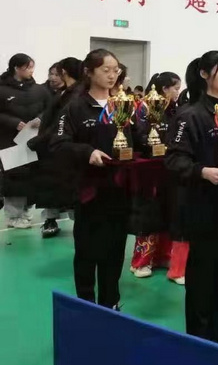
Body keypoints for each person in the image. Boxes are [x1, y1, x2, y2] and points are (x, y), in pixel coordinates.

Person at [165, 51, 218, 347]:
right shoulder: (189, 115)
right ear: (204, 74)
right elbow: (174, 160)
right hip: (203, 208)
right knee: (202, 280)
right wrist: (202, 171)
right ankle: (198, 343)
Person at [51, 49, 136, 309]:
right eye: (105, 70)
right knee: (87, 252)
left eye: (115, 70)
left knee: (115, 251)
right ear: (89, 72)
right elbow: (58, 144)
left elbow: (138, 141)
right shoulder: (75, 107)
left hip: (119, 191)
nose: (112, 75)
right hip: (89, 193)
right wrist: (87, 152)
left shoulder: (124, 105)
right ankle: (86, 304)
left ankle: (111, 303)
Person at [129, 72, 182, 279]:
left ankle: (162, 256)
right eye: (175, 88)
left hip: (169, 168)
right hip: (149, 169)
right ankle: (141, 261)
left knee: (168, 211)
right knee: (149, 215)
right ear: (164, 89)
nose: (178, 92)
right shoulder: (144, 107)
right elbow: (139, 135)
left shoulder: (175, 109)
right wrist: (153, 145)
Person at [28, 57, 82, 238]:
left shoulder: (76, 94)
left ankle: (79, 222)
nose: (53, 77)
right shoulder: (62, 92)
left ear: (64, 72)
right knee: (51, 187)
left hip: (61, 146)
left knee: (68, 188)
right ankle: (50, 219)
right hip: (51, 147)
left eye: (56, 73)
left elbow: (60, 123)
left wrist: (40, 139)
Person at [0, 53, 51, 229]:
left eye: (32, 67)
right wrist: (13, 122)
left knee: (31, 177)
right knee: (14, 177)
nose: (31, 71)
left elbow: (51, 109)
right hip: (10, 141)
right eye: (28, 67)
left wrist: (40, 119)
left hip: (33, 140)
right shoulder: (2, 89)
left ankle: (26, 212)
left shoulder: (39, 90)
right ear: (16, 68)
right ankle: (14, 215)